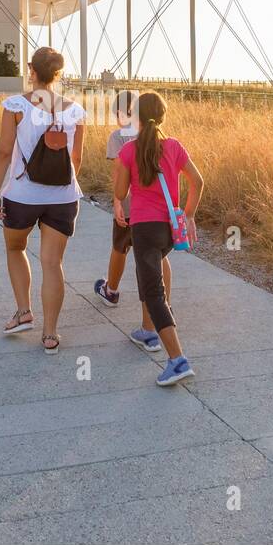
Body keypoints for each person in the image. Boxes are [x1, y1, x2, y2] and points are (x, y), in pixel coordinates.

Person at [0, 47, 87, 354]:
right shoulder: (75, 109)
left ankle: (23, 312)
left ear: (32, 69)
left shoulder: (16, 105)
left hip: (22, 195)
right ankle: (50, 335)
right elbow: (76, 159)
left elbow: (5, 151)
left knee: (15, 247)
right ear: (58, 74)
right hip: (64, 197)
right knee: (52, 263)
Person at [113, 91, 204, 386]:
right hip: (169, 229)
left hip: (145, 229)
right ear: (163, 116)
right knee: (151, 279)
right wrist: (188, 214)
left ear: (135, 117)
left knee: (153, 294)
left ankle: (177, 360)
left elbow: (120, 192)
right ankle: (147, 331)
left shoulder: (129, 150)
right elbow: (197, 182)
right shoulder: (174, 146)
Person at [93, 90, 173, 353]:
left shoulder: (119, 138)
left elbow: (120, 177)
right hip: (160, 213)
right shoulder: (160, 139)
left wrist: (117, 204)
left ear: (122, 113)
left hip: (130, 210)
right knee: (158, 258)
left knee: (121, 249)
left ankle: (112, 291)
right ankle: (164, 307)